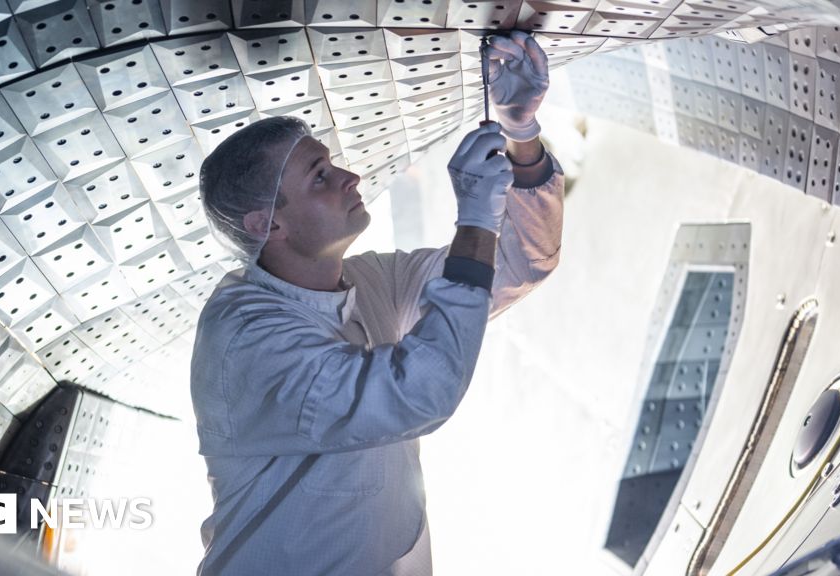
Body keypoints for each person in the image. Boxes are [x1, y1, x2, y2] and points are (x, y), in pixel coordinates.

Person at [190, 31, 564, 575]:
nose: (351, 176)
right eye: (320, 176)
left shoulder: (370, 282)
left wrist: (520, 135)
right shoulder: (243, 337)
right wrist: (476, 219)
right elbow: (418, 393)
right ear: (267, 224)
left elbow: (520, 263)